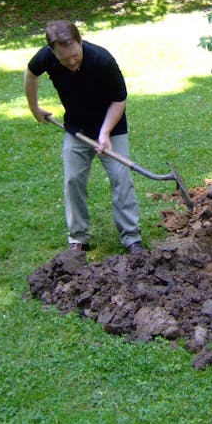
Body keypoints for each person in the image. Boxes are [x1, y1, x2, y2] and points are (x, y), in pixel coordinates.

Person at [24, 20, 144, 253]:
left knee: (121, 178)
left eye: (75, 55)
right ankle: (78, 238)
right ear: (52, 51)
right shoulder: (45, 57)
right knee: (73, 180)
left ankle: (132, 237)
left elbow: (119, 99)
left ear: (81, 42)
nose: (71, 62)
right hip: (76, 127)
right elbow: (31, 74)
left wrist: (105, 133)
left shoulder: (102, 60)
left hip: (111, 123)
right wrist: (34, 108)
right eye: (64, 58)